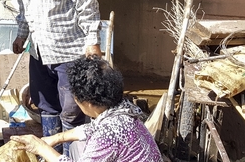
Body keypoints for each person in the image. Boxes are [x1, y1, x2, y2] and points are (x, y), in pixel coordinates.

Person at [11, 0, 102, 156]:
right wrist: (21, 34)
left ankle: (75, 158)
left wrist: (92, 41)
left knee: (73, 113)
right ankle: (50, 157)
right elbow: (24, 4)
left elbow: (86, 1)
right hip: (39, 51)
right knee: (46, 109)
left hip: (69, 53)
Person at [11, 56, 163, 162]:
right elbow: (92, 128)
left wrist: (42, 148)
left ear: (87, 103)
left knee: (78, 148)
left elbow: (103, 133)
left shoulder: (108, 134)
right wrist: (56, 138)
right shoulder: (123, 109)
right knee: (77, 146)